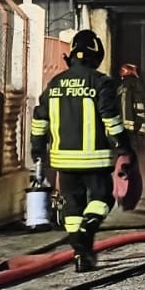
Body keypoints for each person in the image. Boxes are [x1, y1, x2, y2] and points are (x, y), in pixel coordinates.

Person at [30, 30, 133, 273]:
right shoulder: (100, 81)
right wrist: (123, 145)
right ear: (96, 55)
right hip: (94, 160)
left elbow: (39, 119)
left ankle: (80, 254)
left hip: (62, 161)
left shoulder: (55, 83)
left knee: (72, 206)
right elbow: (110, 118)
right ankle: (87, 229)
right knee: (103, 198)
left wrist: (37, 149)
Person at [117, 63, 145, 137]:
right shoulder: (137, 83)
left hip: (127, 125)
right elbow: (144, 103)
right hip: (138, 125)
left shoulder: (124, 85)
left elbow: (125, 103)